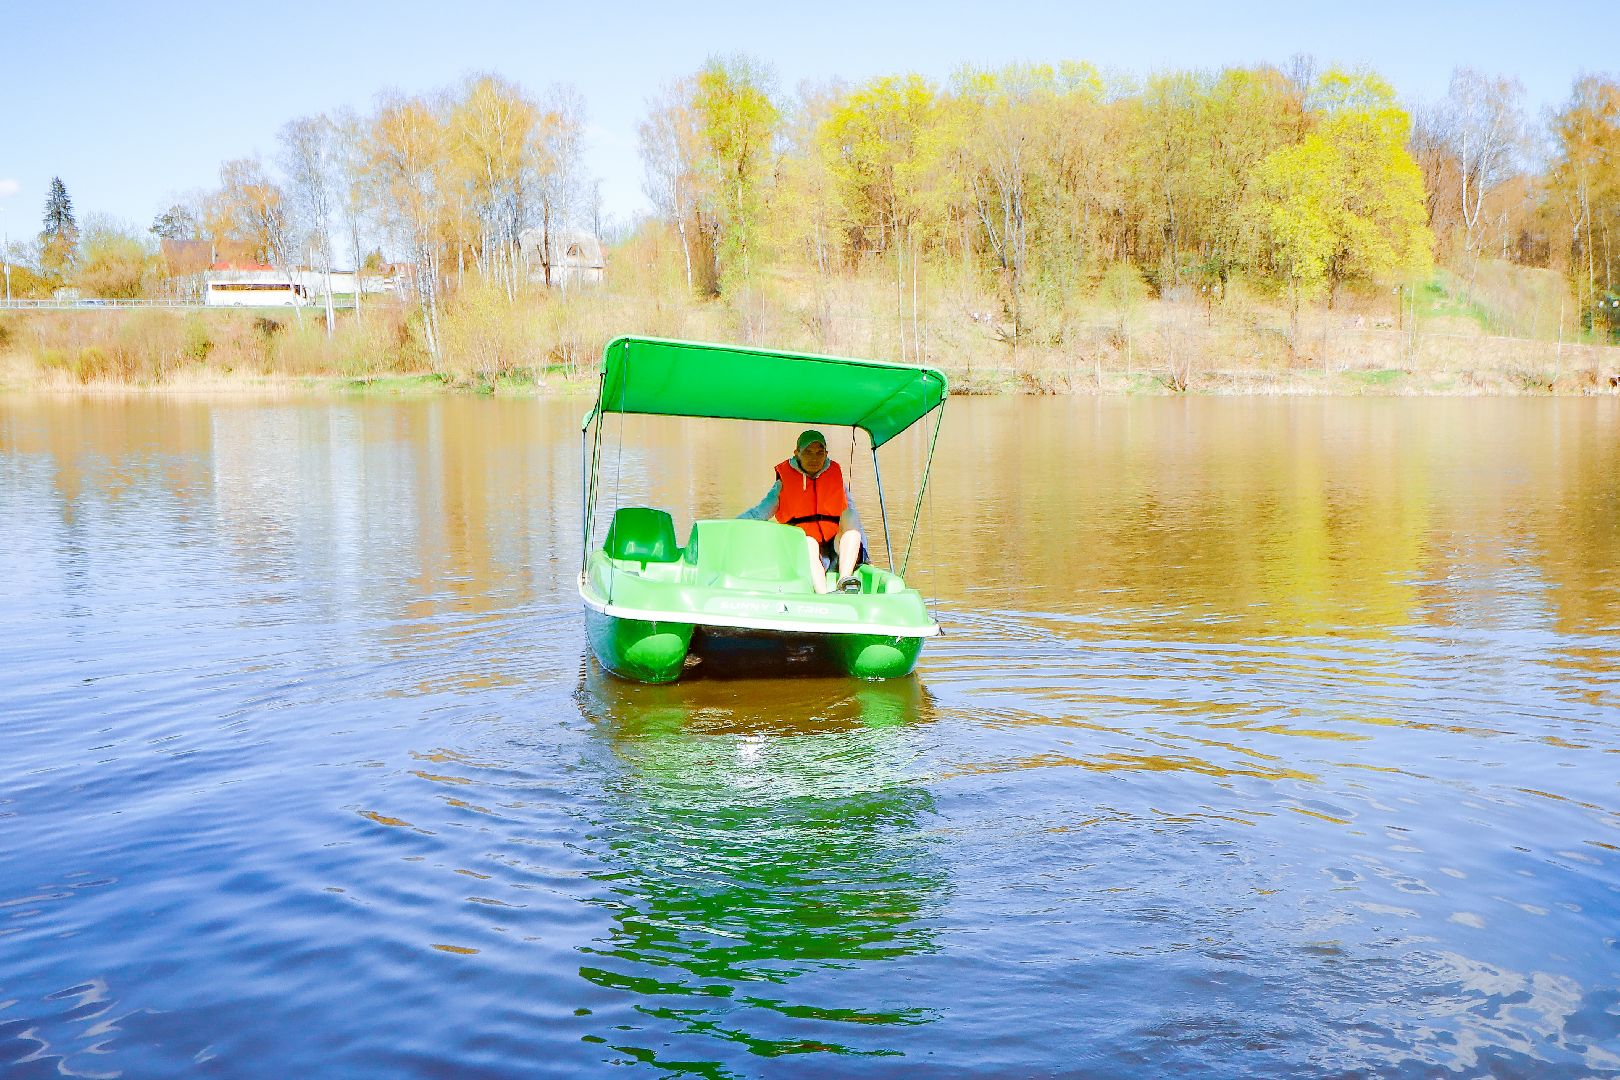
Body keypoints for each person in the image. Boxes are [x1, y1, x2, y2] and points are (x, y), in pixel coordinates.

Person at [739, 429, 866, 595]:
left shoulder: (835, 475)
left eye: (820, 453)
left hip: (832, 543)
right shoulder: (784, 481)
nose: (814, 458)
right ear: (797, 453)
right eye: (808, 452)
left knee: (850, 514)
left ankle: (845, 580)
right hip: (803, 544)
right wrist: (730, 525)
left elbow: (853, 521)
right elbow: (759, 514)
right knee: (809, 542)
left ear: (826, 454)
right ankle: (823, 594)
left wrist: (866, 556)